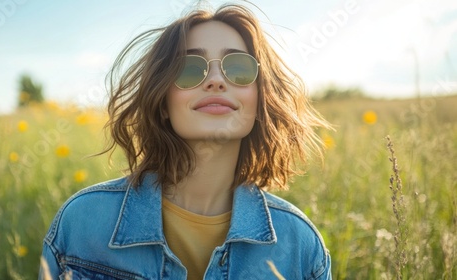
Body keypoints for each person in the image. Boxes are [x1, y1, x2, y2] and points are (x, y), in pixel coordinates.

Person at [40, 3, 332, 279]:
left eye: (239, 68)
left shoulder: (300, 245)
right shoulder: (81, 223)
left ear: (260, 100)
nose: (216, 80)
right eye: (190, 68)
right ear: (163, 102)